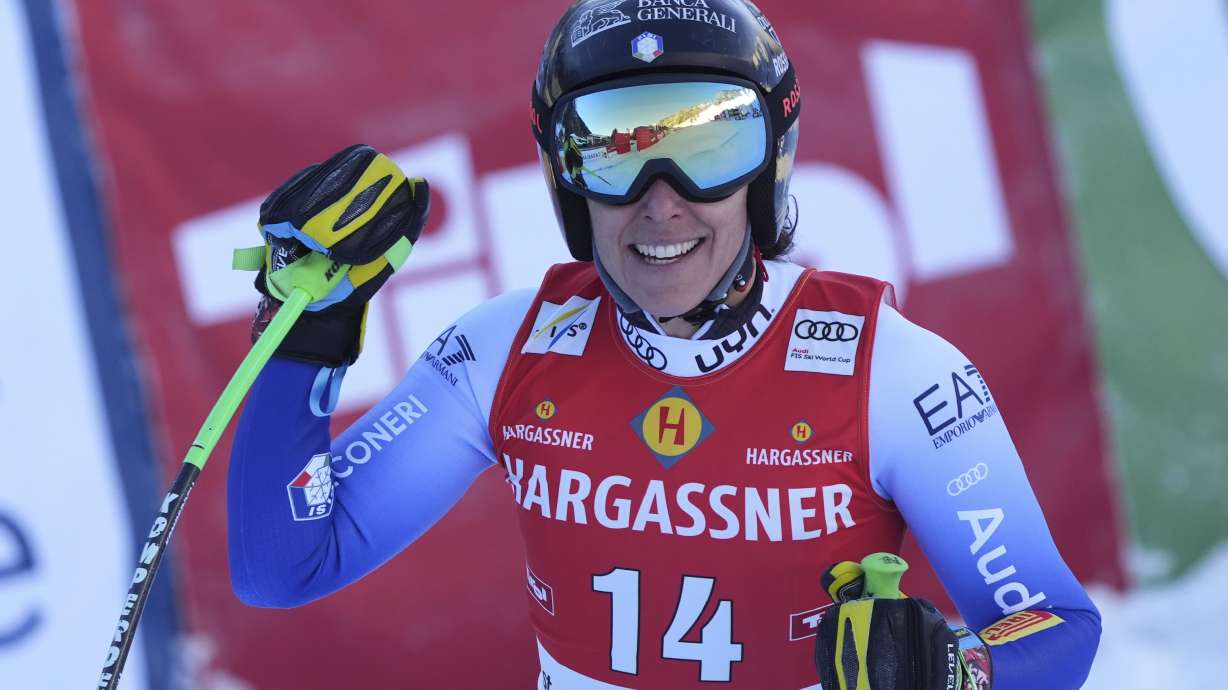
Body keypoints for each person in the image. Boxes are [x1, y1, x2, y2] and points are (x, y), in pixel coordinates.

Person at [227, 1, 1102, 688]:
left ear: (770, 165)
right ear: (566, 183)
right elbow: (286, 562)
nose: (661, 200)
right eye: (612, 153)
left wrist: (961, 674)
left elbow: (1055, 624)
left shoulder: (894, 372)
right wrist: (307, 333)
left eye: (709, 145)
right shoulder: (507, 349)